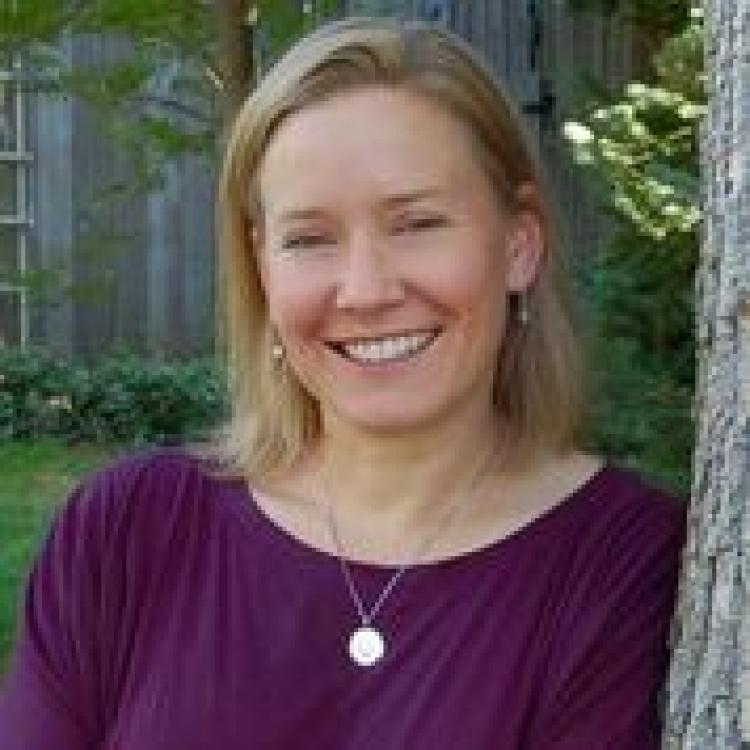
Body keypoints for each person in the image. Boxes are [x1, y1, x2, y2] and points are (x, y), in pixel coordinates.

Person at [0, 16, 686, 749]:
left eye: (418, 222)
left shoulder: (623, 561)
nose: (363, 290)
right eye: (310, 239)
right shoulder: (125, 531)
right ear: (262, 267)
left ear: (519, 244)